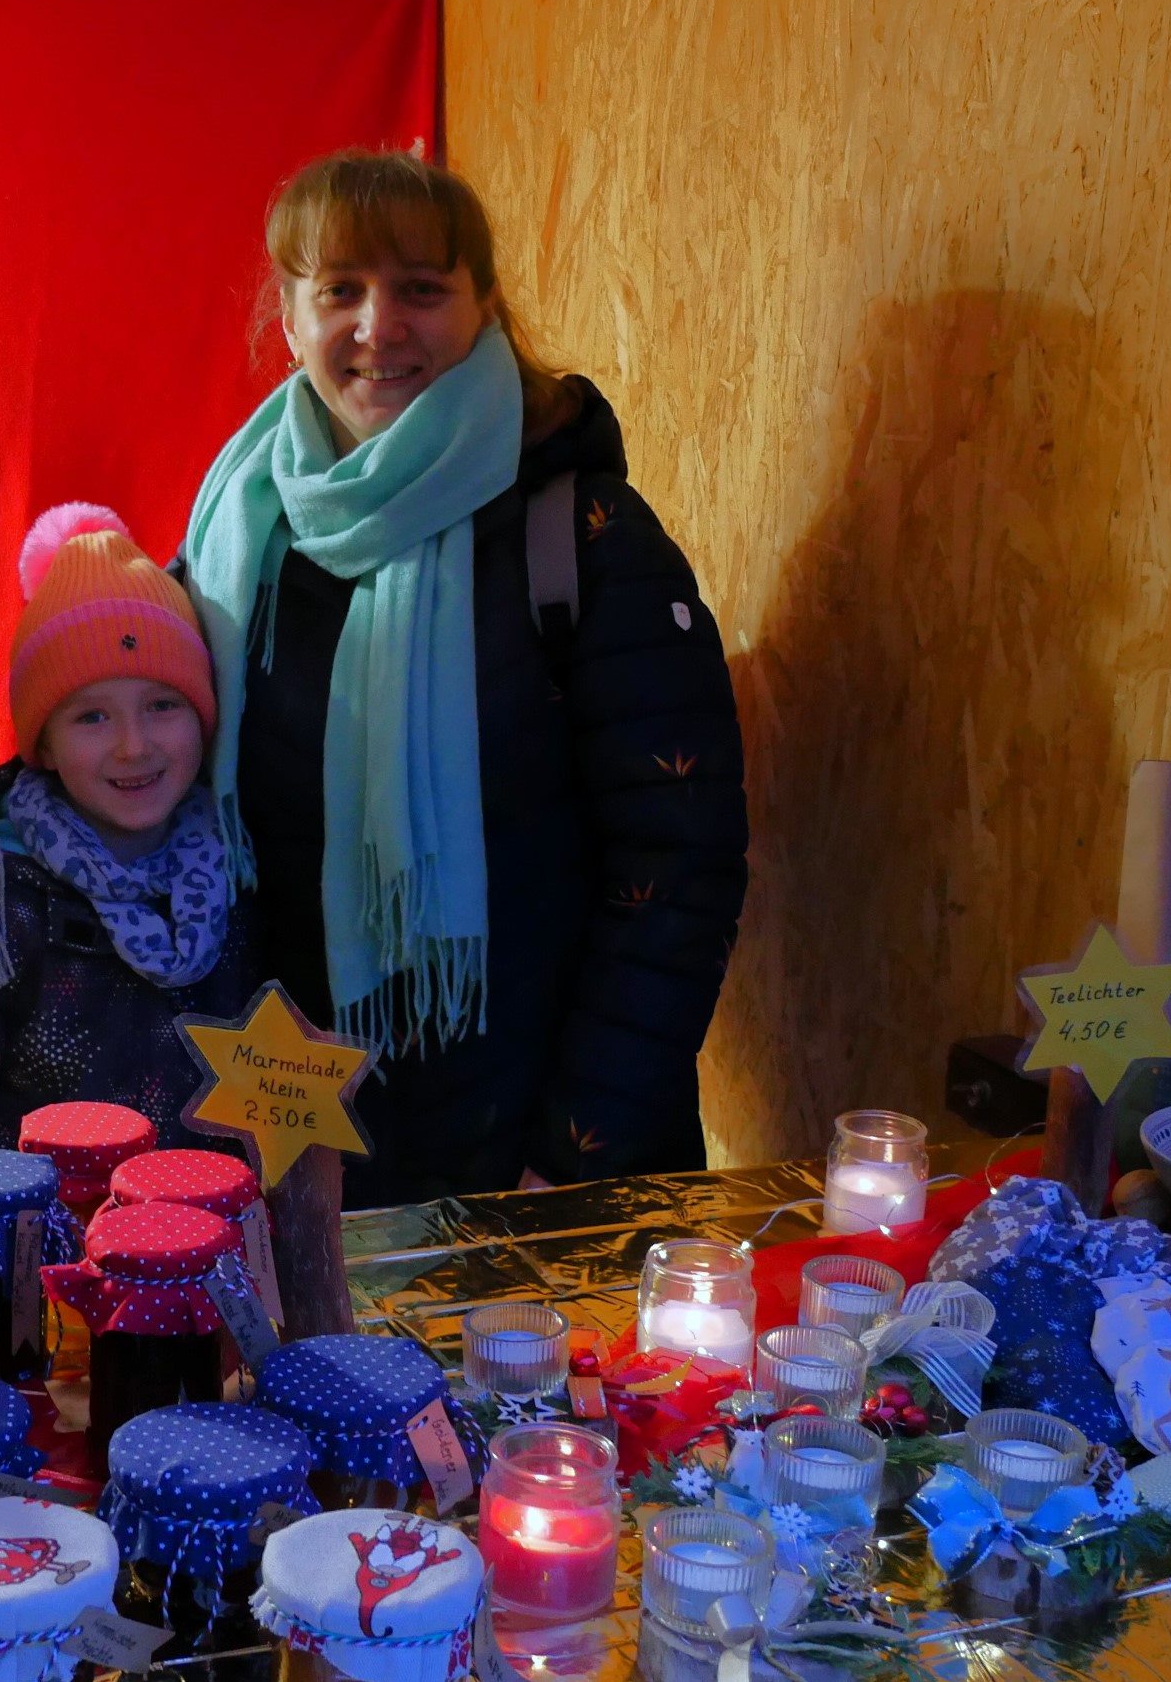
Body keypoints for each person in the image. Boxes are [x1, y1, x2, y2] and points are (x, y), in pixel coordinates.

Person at [180, 150, 748, 1207]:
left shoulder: (582, 540)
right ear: (289, 312)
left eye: (421, 289)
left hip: (536, 1169)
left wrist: (577, 1157)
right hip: (301, 1160)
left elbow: (679, 869)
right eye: (339, 289)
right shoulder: (237, 536)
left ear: (484, 304)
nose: (377, 326)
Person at [0, 503, 262, 1145]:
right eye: (92, 717)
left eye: (163, 705)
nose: (134, 746)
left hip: (216, 1232)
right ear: (45, 743)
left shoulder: (237, 868)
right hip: (45, 1237)